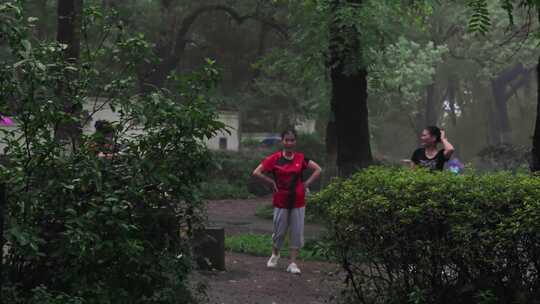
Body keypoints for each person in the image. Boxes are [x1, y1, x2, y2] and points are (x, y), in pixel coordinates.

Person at [252, 129, 322, 274]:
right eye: (287, 140)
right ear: (282, 141)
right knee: (279, 231)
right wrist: (270, 182)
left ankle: (293, 263)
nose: (289, 143)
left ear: (295, 142)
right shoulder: (274, 158)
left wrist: (306, 184)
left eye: (292, 140)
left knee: (296, 231)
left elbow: (318, 170)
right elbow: (256, 172)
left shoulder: (301, 158)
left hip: (298, 200)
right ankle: (275, 254)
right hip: (281, 200)